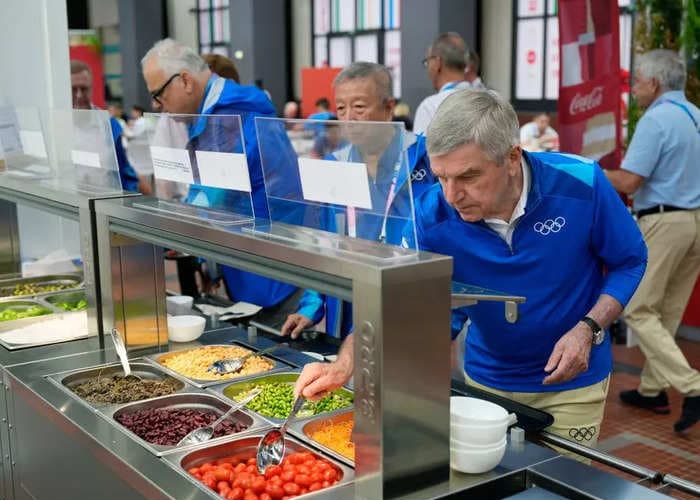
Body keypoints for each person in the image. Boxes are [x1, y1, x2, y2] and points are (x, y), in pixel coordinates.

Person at [295, 89, 647, 450]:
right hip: (485, 380)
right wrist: (345, 364)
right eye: (441, 177)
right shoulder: (429, 215)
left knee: (562, 498)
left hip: (574, 385)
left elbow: (630, 260)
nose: (452, 195)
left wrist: (588, 329)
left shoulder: (581, 182)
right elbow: (393, 299)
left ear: (512, 157)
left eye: (467, 177)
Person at [141, 38, 300, 322]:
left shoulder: (228, 114)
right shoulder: (217, 112)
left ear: (186, 81)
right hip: (254, 255)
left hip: (271, 263)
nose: (158, 106)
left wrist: (177, 231)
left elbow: (213, 192)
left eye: (159, 94)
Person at [282, 62, 436, 341]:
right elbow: (323, 241)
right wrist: (312, 305)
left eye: (360, 107)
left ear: (388, 108)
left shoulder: (425, 158)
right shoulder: (334, 164)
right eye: (341, 108)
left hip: (409, 298)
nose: (349, 118)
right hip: (350, 301)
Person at [604, 49, 700, 433]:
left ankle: (693, 387)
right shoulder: (696, 115)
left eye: (637, 82)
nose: (633, 89)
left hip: (665, 221)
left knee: (639, 308)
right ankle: (652, 389)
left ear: (655, 83)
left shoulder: (656, 120)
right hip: (696, 221)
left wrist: (585, 168)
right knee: (668, 309)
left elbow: (629, 182)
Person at [70, 60, 140, 192]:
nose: (79, 95)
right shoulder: (57, 126)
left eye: (84, 89)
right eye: (73, 89)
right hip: (68, 204)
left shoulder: (108, 125)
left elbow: (125, 173)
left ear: (91, 88)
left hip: (104, 204)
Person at [413, 32, 472, 134]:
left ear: (437, 63)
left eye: (427, 61)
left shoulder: (430, 107)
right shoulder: (491, 100)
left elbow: (421, 149)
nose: (427, 68)